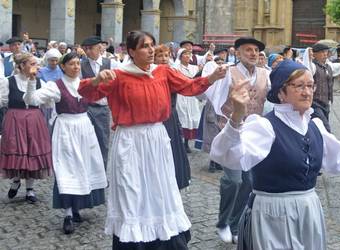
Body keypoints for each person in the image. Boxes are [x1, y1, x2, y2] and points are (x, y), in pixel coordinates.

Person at [210, 59, 340, 250]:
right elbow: (229, 156)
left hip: (309, 210)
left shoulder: (314, 125)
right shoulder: (265, 126)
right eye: (299, 86)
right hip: (273, 214)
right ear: (281, 92)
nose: (307, 92)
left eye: (310, 85)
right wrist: (236, 118)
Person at [77, 30, 227, 249]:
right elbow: (87, 93)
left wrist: (212, 77)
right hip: (130, 139)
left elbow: (188, 87)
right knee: (132, 188)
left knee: (160, 187)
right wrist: (97, 78)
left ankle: (163, 238)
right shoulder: (118, 75)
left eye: (152, 45)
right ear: (131, 51)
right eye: (144, 46)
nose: (150, 50)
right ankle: (134, 240)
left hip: (156, 137)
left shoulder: (163, 72)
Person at [23, 52, 107, 234]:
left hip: (85, 127)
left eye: (78, 63)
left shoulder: (86, 83)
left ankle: (77, 207)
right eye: (72, 64)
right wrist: (31, 81)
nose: (76, 67)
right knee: (67, 169)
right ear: (63, 66)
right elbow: (31, 100)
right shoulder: (56, 85)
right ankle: (68, 213)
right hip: (66, 129)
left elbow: (102, 99)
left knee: (84, 167)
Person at [205, 37, 270, 244]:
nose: (252, 53)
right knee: (233, 180)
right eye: (247, 50)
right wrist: (219, 119)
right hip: (230, 131)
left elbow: (269, 100)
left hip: (252, 134)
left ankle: (235, 224)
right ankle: (223, 222)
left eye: (256, 50)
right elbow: (210, 95)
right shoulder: (228, 73)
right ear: (238, 53)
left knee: (249, 182)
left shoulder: (264, 74)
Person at [0, 52, 52, 204]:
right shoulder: (8, 82)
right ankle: (16, 180)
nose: (35, 67)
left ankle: (30, 189)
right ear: (22, 66)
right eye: (32, 64)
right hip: (15, 120)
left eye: (36, 64)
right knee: (18, 151)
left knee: (32, 152)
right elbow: (2, 102)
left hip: (35, 120)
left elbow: (45, 102)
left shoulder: (40, 82)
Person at [154, 44, 191, 190]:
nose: (164, 59)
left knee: (172, 148)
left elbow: (188, 84)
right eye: (160, 56)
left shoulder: (172, 72)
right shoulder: (150, 73)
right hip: (155, 118)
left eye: (166, 55)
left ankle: (173, 180)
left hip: (170, 116)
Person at [81, 35, 119, 170]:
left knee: (102, 140)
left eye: (91, 48)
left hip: (102, 108)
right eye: (86, 49)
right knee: (85, 140)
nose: (88, 51)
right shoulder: (81, 65)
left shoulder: (110, 63)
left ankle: (102, 171)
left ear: (99, 48)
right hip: (86, 108)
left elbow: (118, 82)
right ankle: (87, 170)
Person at [174, 48, 202, 153]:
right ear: (180, 56)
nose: (187, 56)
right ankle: (179, 142)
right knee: (182, 118)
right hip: (181, 95)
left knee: (192, 117)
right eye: (185, 54)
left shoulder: (195, 68)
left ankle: (186, 143)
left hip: (192, 96)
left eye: (189, 54)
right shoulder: (175, 68)